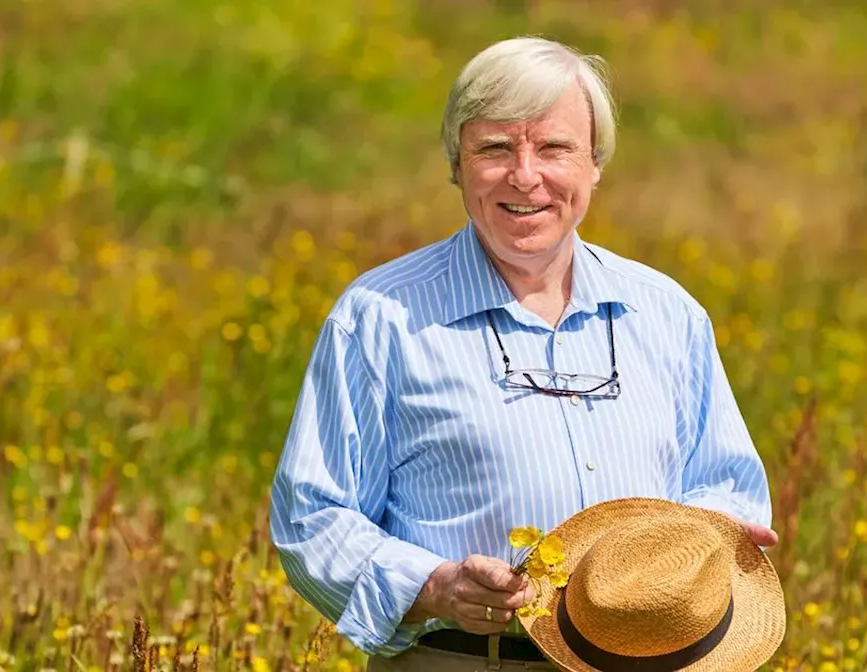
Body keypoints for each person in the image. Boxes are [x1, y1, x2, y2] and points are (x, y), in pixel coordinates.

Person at [268, 36, 779, 671]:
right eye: (495, 148)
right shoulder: (380, 317)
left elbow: (727, 484)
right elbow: (312, 517)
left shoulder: (666, 314)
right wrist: (435, 588)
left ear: (595, 163)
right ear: (457, 164)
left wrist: (710, 540)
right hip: (461, 659)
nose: (526, 175)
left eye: (554, 147)